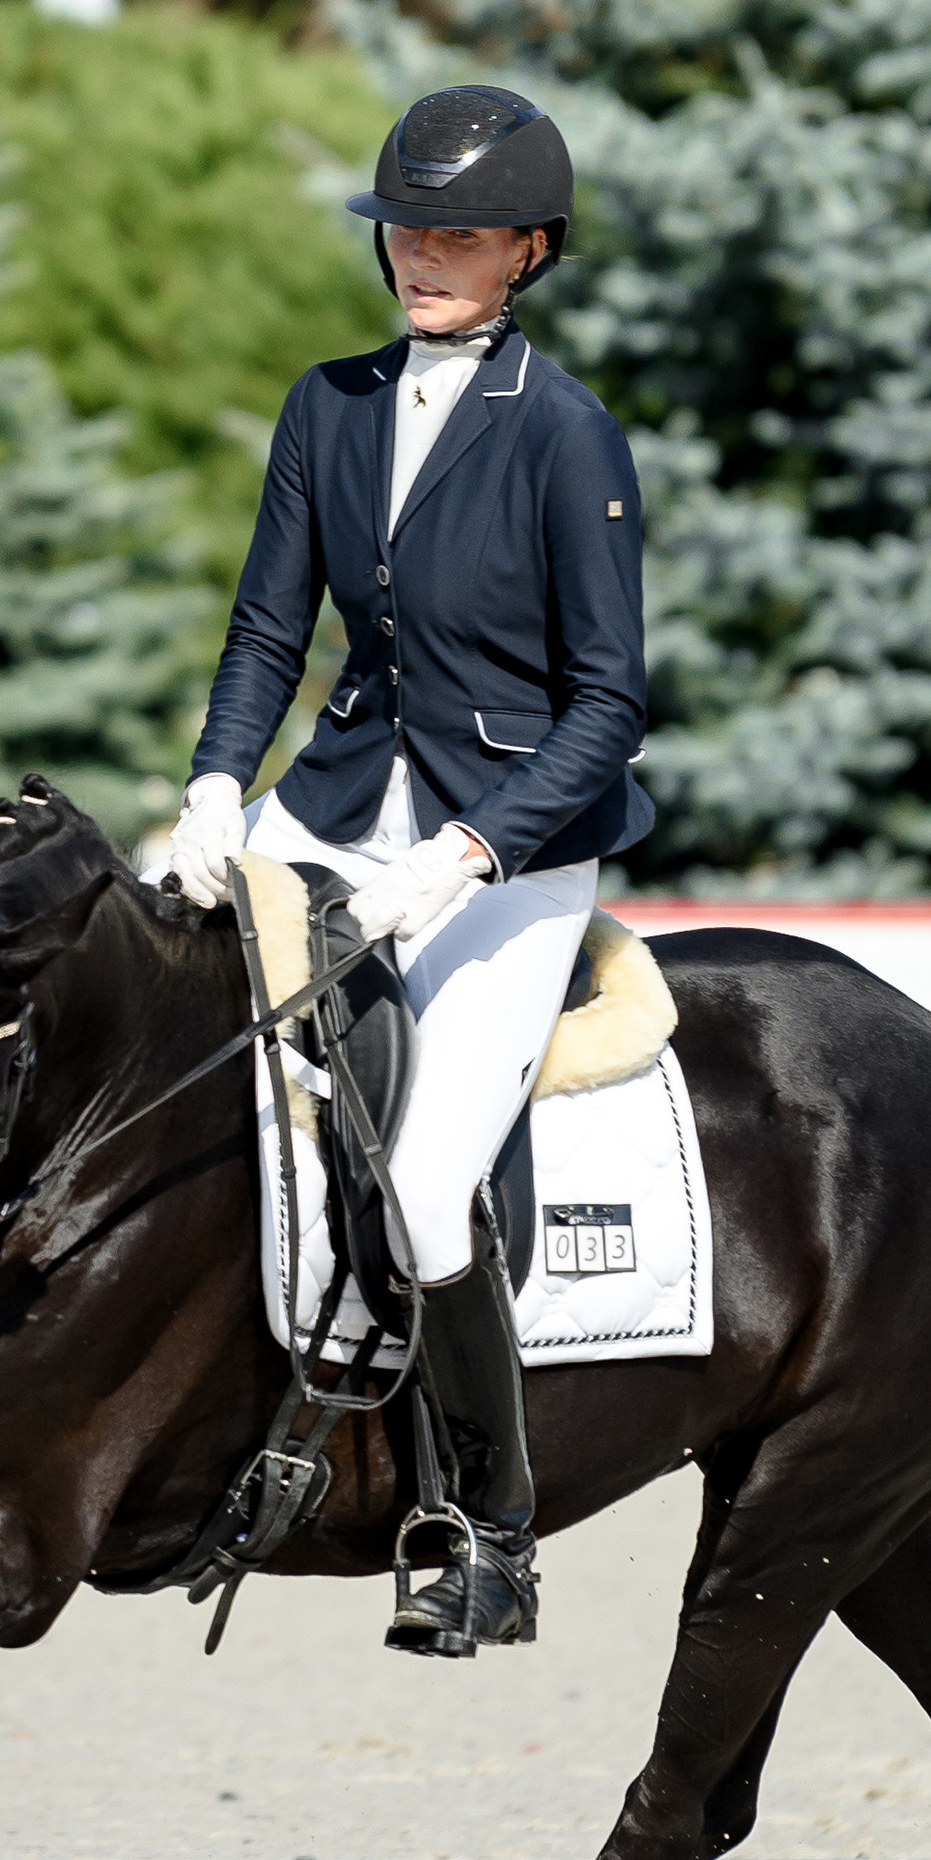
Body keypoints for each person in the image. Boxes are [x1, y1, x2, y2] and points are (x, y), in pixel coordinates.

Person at [164, 84, 651, 1653]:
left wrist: (470, 851)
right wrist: (214, 787)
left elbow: (608, 705)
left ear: (528, 251)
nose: (424, 258)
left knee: (429, 1181)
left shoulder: (567, 434)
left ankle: (486, 1533)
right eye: (407, 233)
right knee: (161, 1024)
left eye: (461, 236)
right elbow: (268, 631)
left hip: (505, 846)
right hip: (330, 807)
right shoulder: (329, 405)